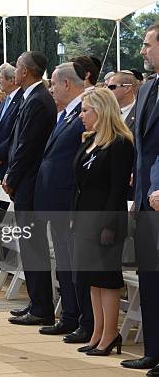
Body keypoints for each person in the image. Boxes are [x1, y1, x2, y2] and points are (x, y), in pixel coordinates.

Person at [72, 88, 133, 356]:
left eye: (86, 110)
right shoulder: (90, 140)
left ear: (101, 110)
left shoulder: (119, 143)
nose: (81, 115)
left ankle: (110, 334)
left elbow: (117, 189)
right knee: (92, 280)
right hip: (85, 217)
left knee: (107, 279)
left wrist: (108, 225)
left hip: (106, 220)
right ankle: (97, 332)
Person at [34, 63, 93, 344]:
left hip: (68, 201)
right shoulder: (67, 115)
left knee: (73, 263)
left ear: (67, 84)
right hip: (56, 200)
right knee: (65, 262)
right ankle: (69, 315)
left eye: (54, 84)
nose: (52, 89)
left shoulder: (85, 113)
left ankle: (81, 318)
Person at [2, 51, 57, 326]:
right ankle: (37, 302)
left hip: (31, 184)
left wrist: (12, 176)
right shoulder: (32, 97)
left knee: (33, 247)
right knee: (29, 247)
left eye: (18, 67)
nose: (15, 71)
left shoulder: (39, 99)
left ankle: (42, 307)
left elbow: (28, 146)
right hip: (26, 182)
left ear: (24, 71)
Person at [122, 22, 159, 374]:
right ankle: (154, 349)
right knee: (149, 276)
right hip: (146, 201)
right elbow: (142, 150)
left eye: (147, 44)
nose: (143, 50)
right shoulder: (148, 89)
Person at [0, 63, 23, 181]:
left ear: (12, 80)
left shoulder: (21, 100)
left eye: (1, 78)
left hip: (8, 162)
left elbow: (16, 132)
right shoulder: (4, 102)